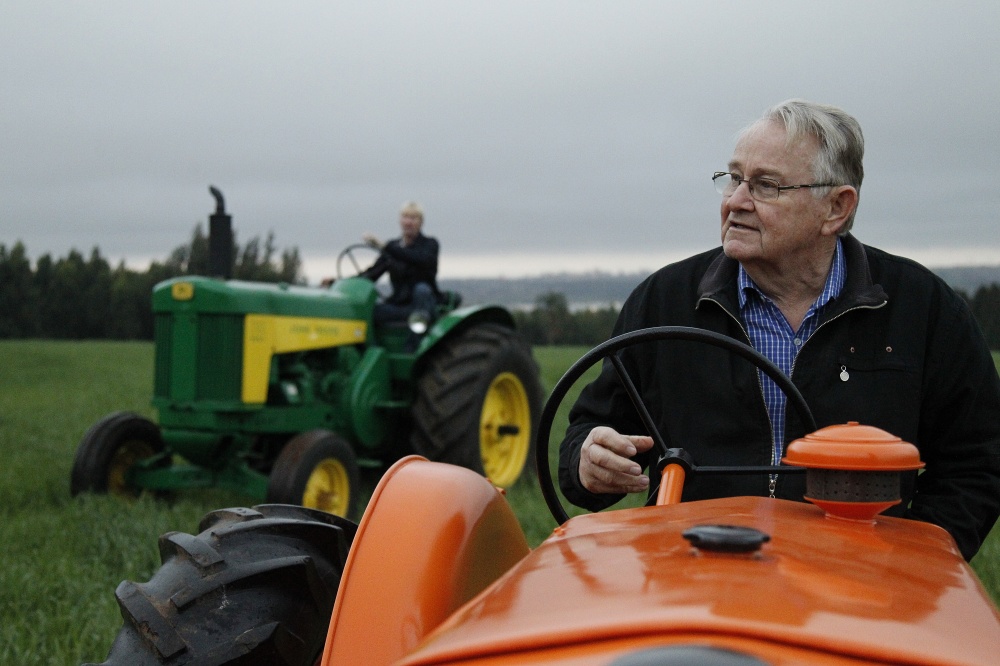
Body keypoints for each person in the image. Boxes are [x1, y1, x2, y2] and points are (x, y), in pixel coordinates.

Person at [558, 99, 1000, 561]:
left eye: (765, 186)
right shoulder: (665, 301)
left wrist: (911, 561)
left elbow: (977, 462)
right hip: (690, 584)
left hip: (853, 596)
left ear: (835, 208)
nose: (735, 201)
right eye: (733, 179)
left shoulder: (922, 308)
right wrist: (589, 461)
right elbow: (590, 431)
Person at [359, 201, 441, 325]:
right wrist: (336, 281)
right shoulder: (393, 246)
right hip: (399, 305)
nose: (408, 222)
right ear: (400, 221)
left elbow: (421, 260)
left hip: (423, 307)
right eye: (405, 217)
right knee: (367, 312)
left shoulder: (430, 244)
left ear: (421, 222)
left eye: (413, 218)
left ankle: (414, 343)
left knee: (422, 289)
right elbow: (372, 273)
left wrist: (384, 246)